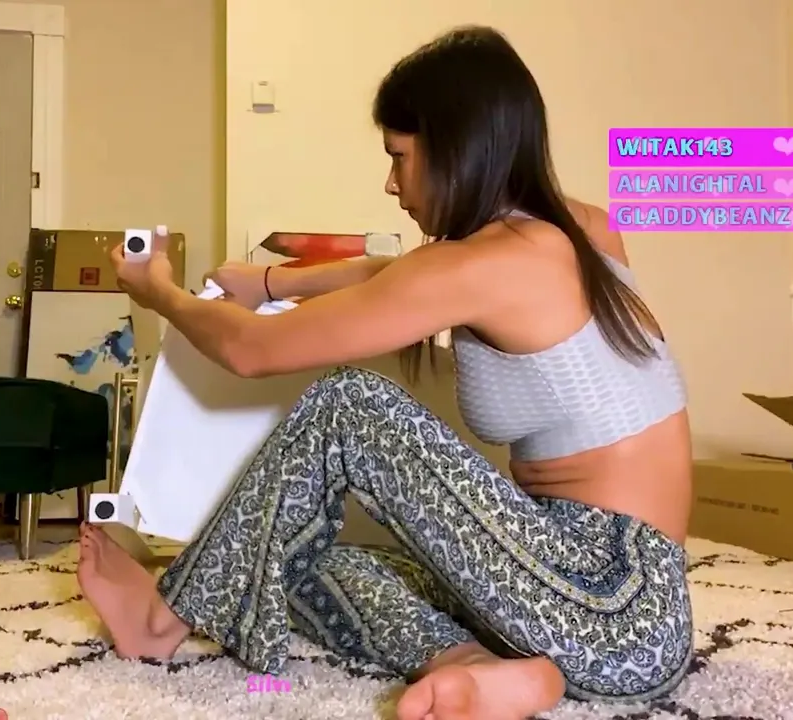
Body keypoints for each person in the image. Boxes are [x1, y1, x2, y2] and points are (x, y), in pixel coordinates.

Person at [78, 24, 694, 720]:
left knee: (348, 403)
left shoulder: (485, 265)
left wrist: (160, 292)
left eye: (400, 156)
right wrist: (272, 281)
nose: (392, 182)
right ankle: (476, 668)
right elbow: (399, 272)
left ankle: (159, 623)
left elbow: (251, 351)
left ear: (456, 148)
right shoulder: (581, 230)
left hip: (607, 601)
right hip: (625, 619)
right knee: (293, 565)